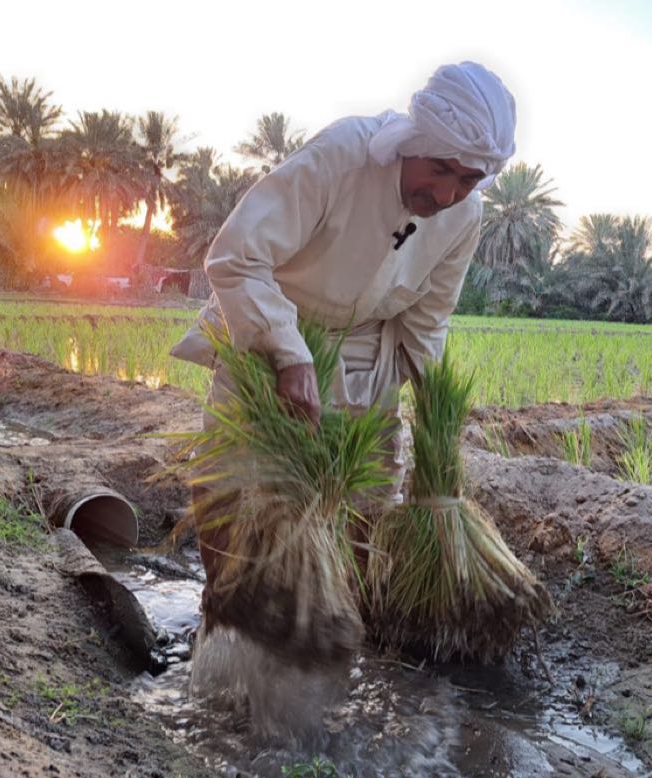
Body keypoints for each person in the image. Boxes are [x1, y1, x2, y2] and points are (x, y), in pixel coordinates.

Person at [171, 60, 516, 582]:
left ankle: (337, 611)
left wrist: (435, 416)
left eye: (467, 180)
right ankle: (227, 604)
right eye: (439, 169)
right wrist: (289, 355)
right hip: (273, 323)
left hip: (367, 348)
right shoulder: (342, 158)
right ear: (414, 142)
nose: (446, 195)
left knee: (365, 501)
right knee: (238, 489)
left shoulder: (464, 217)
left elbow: (428, 320)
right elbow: (235, 257)